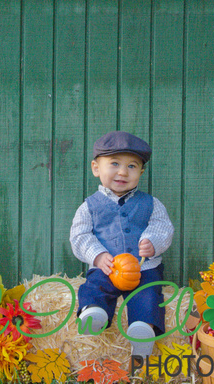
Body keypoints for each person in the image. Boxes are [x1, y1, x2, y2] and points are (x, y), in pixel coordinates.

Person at [70, 131, 174, 358]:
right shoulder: (89, 206)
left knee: (148, 294)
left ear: (141, 172)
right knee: (94, 286)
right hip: (106, 267)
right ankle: (94, 313)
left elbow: (162, 227)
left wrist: (152, 242)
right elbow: (79, 236)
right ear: (96, 168)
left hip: (143, 268)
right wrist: (97, 255)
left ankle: (143, 330)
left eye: (132, 166)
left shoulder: (151, 203)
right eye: (114, 163)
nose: (122, 172)